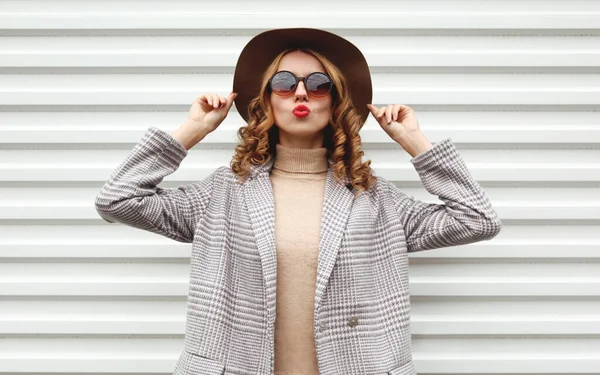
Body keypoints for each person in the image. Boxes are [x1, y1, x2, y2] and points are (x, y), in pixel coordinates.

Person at [95, 28, 502, 375]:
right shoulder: (222, 193)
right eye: (285, 82)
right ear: (267, 100)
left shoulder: (376, 199)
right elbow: (117, 199)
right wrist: (191, 130)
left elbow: (478, 219)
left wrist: (415, 142)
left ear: (335, 100)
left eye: (319, 83)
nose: (301, 92)